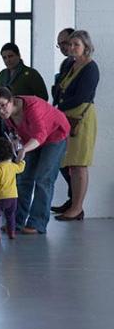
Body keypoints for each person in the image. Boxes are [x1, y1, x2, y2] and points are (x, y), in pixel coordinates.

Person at [0, 87, 69, 234]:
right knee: (23, 178)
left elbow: (41, 134)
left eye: (3, 105)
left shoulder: (32, 107)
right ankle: (16, 221)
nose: (1, 110)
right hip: (30, 139)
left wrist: (24, 149)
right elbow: (15, 134)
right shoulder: (7, 117)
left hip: (54, 135)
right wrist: (16, 145)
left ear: (12, 101)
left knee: (43, 178)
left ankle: (37, 223)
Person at [54, 30, 99, 221]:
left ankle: (77, 208)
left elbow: (82, 95)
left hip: (81, 119)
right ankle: (73, 204)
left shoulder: (90, 67)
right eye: (70, 45)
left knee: (79, 165)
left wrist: (58, 108)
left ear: (86, 47)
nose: (71, 48)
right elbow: (60, 88)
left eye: (76, 45)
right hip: (67, 117)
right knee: (69, 163)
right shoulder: (71, 64)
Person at [0, 42, 48, 141]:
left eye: (10, 56)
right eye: (4, 58)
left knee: (21, 148)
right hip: (4, 117)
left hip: (25, 118)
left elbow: (43, 97)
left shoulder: (31, 74)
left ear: (18, 55)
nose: (8, 60)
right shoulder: (2, 75)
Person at [49, 27, 77, 213]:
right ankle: (71, 199)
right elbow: (58, 91)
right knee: (61, 160)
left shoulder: (81, 65)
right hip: (61, 114)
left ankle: (75, 202)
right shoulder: (66, 64)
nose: (63, 48)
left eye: (65, 43)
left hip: (74, 116)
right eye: (59, 45)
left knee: (72, 161)